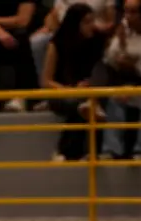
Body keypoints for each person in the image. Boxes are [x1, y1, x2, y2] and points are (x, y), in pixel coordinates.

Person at [40, 3, 107, 161]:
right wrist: (70, 90)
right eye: (87, 22)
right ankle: (68, 151)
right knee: (80, 104)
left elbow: (100, 72)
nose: (92, 26)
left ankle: (85, 152)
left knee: (90, 103)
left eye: (93, 21)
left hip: (89, 92)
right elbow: (47, 81)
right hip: (61, 92)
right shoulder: (57, 44)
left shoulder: (97, 42)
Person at [97, 0, 141, 160]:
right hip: (124, 84)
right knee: (114, 97)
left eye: (133, 12)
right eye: (126, 12)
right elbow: (111, 60)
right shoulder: (122, 31)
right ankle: (111, 149)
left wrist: (132, 71)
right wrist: (121, 42)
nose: (128, 17)